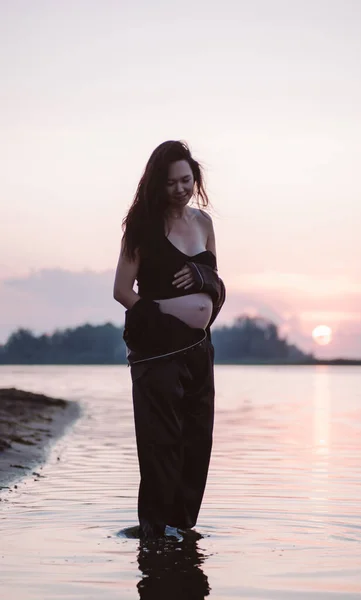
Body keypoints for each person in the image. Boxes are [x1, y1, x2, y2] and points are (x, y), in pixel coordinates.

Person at [113, 140, 225, 542]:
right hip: (159, 353)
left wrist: (205, 280)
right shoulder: (143, 227)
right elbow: (122, 290)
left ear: (195, 178)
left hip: (200, 351)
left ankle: (181, 530)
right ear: (156, 184)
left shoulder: (205, 224)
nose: (180, 188)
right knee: (162, 443)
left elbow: (217, 287)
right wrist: (161, 322)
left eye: (186, 180)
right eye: (171, 182)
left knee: (197, 441)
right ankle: (154, 533)